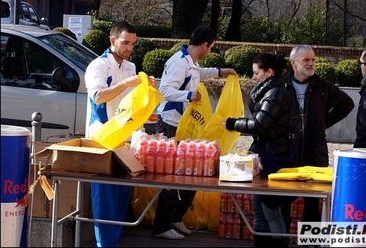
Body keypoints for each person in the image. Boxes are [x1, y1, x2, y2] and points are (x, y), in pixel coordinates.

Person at [153, 24, 237, 240]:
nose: (210, 52)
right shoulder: (179, 62)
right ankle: (162, 226)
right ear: (204, 45)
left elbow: (197, 74)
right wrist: (189, 97)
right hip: (172, 124)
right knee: (173, 175)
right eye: (211, 48)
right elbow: (165, 90)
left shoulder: (190, 61)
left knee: (192, 171)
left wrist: (220, 71)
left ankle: (176, 217)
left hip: (186, 125)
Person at [85, 21, 156, 247]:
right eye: (126, 43)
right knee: (104, 197)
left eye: (133, 44)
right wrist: (127, 83)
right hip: (102, 139)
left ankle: (113, 242)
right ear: (112, 40)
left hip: (125, 139)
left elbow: (132, 103)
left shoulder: (130, 66)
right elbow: (98, 97)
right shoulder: (98, 65)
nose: (129, 48)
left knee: (120, 195)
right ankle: (104, 244)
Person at [282, 44, 355, 245]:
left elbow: (347, 104)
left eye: (313, 60)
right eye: (306, 60)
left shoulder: (323, 86)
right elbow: (259, 105)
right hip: (288, 151)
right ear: (293, 63)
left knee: (313, 203)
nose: (311, 63)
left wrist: (323, 122)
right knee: (283, 199)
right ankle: (281, 241)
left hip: (315, 151)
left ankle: (311, 243)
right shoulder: (282, 85)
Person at [222, 52, 294, 247]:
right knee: (258, 208)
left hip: (273, 157)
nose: (253, 77)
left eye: (256, 73)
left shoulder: (277, 93)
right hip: (262, 153)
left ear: (268, 72)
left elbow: (259, 125)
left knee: (271, 209)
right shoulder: (267, 92)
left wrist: (232, 123)